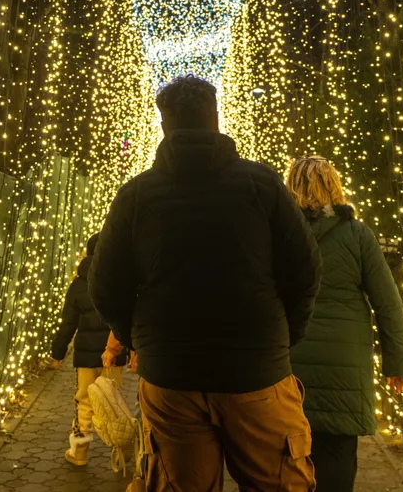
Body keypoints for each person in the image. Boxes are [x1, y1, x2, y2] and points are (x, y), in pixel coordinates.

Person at [89, 74, 323, 492]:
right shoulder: (261, 184)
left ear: (164, 125)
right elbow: (305, 271)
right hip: (258, 373)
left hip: (170, 380)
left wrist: (140, 341)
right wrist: (281, 338)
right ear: (216, 119)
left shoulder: (136, 195)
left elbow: (105, 286)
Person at [284, 156, 403, 491]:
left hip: (288, 364)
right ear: (334, 187)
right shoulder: (357, 235)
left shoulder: (278, 236)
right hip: (343, 368)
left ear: (290, 188)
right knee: (337, 457)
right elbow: (387, 303)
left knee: (287, 458)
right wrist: (397, 363)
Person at [50, 233, 128, 466]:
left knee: (84, 400)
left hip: (85, 356)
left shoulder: (78, 284)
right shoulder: (119, 282)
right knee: (113, 401)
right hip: (113, 354)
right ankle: (121, 452)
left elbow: (68, 323)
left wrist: (57, 352)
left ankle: (80, 452)